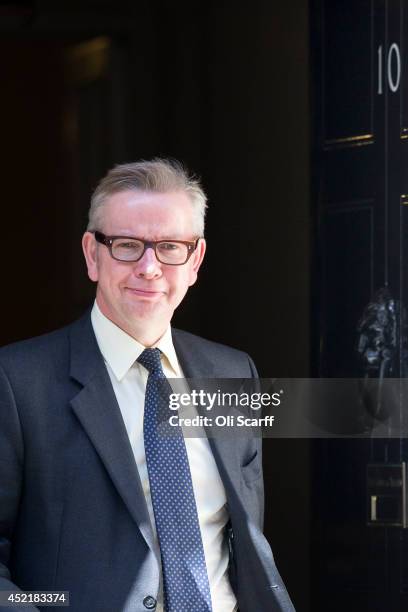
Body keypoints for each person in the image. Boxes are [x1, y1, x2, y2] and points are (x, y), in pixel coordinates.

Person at [0, 159, 295, 612]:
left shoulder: (235, 372)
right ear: (91, 254)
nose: (150, 267)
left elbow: (244, 540)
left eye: (171, 247)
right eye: (126, 245)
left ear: (195, 260)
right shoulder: (17, 382)